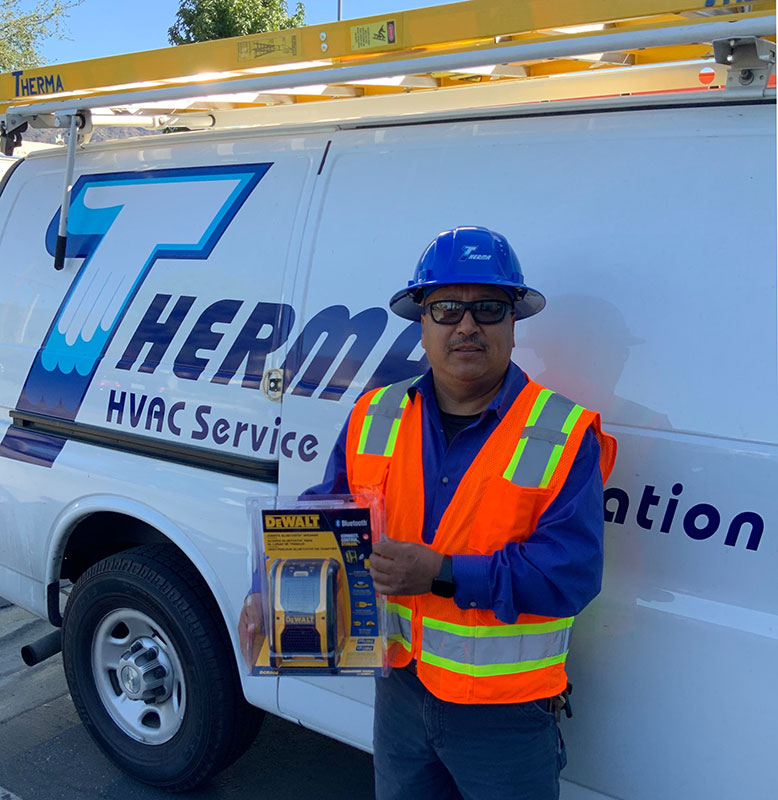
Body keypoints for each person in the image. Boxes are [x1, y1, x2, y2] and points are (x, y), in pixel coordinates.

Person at [308, 225, 617, 800]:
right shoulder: (374, 413)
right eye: (447, 308)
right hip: (400, 691)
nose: (467, 325)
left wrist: (442, 573)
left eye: (488, 309)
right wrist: (272, 592)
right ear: (422, 323)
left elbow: (570, 574)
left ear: (513, 323)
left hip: (506, 713)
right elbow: (325, 519)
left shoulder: (563, 432)